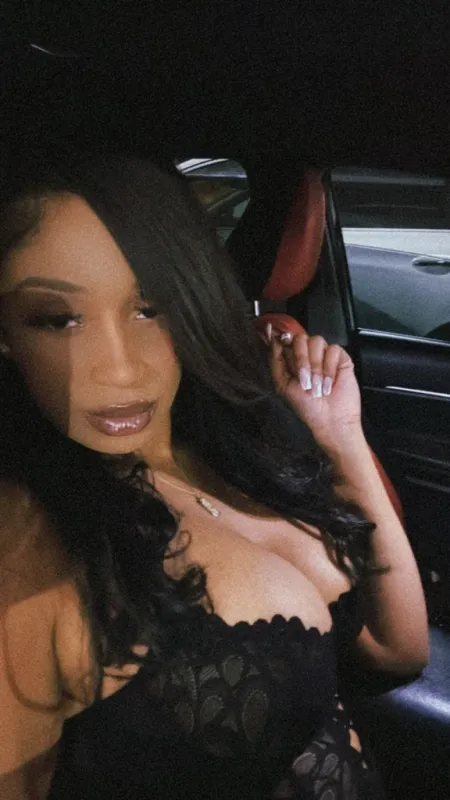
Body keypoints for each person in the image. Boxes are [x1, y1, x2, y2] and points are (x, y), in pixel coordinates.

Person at [0, 153, 428, 800]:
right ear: (6, 334)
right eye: (59, 319)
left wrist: (340, 435)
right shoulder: (27, 534)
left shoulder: (244, 434)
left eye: (150, 308)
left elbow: (398, 651)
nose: (117, 367)